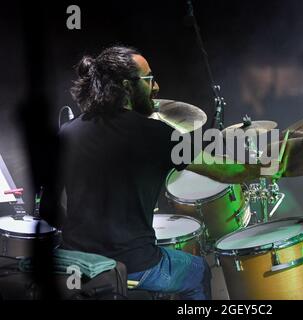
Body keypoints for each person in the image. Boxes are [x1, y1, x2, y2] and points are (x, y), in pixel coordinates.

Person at [40, 46, 270, 300]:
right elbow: (225, 171)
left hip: (76, 262)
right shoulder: (156, 135)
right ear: (127, 87)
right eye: (149, 79)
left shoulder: (67, 133)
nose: (156, 86)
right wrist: (271, 164)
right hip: (133, 264)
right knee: (198, 270)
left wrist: (84, 242)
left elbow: (47, 210)